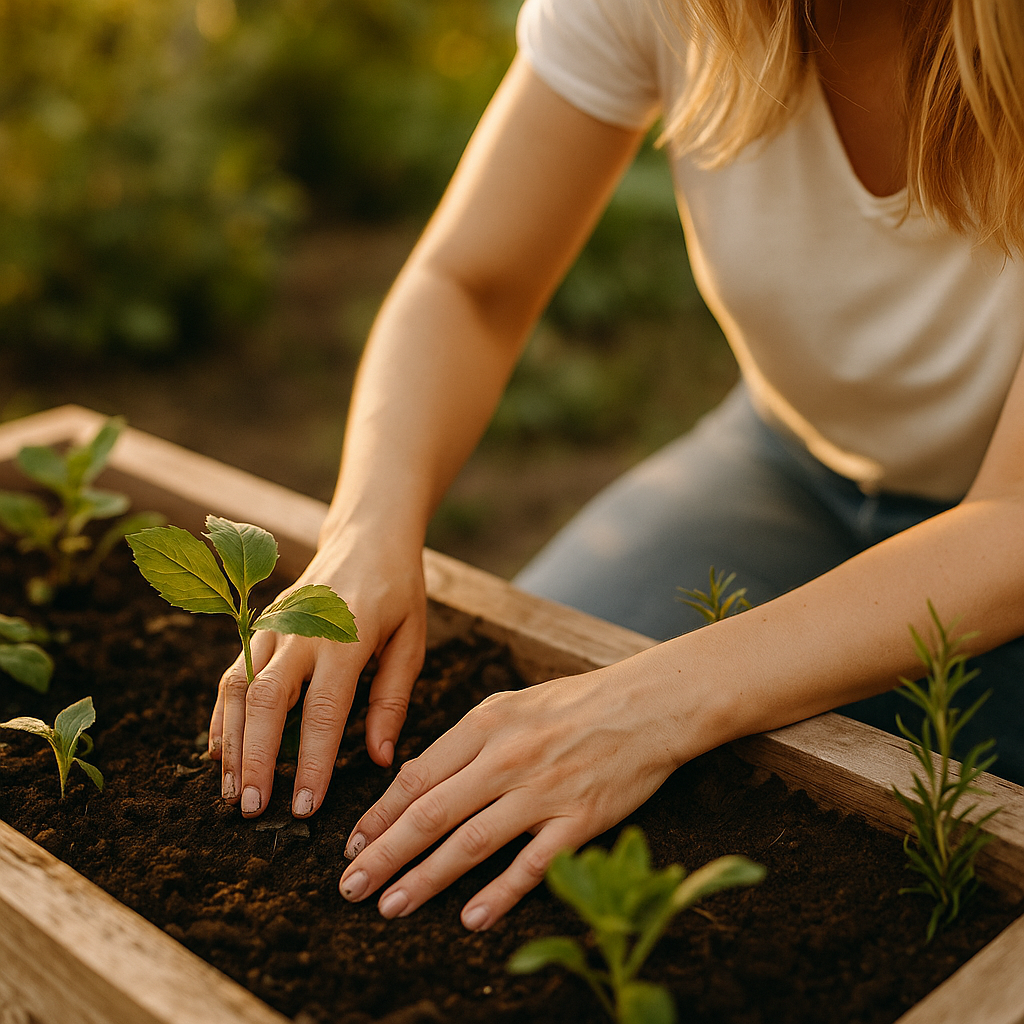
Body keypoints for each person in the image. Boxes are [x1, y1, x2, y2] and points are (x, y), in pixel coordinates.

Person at [209, 0, 1024, 932]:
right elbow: (470, 283)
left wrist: (653, 701)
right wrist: (365, 536)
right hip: (791, 459)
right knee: (505, 730)